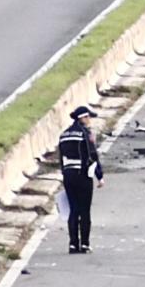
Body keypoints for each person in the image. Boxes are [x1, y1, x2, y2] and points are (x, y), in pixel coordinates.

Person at [58, 105, 105, 254]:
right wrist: (100, 176)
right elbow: (92, 155)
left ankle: (73, 244)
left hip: (68, 175)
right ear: (82, 118)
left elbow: (61, 158)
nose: (89, 120)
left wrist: (65, 174)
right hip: (83, 174)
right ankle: (84, 244)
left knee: (73, 210)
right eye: (88, 117)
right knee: (84, 211)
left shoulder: (64, 135)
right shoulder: (85, 133)